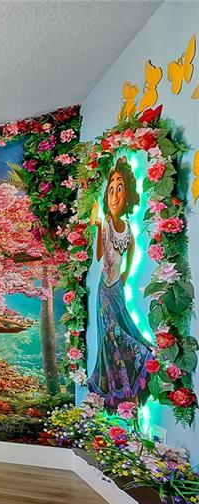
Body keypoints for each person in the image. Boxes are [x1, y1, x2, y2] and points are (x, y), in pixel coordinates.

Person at [87, 156, 154, 406]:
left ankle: (135, 376)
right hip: (104, 291)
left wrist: (126, 273)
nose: (114, 195)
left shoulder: (127, 227)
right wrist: (97, 227)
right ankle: (119, 390)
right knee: (110, 338)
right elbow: (99, 255)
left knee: (124, 332)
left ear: (128, 195)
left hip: (117, 288)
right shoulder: (106, 224)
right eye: (111, 190)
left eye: (120, 188)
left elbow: (132, 249)